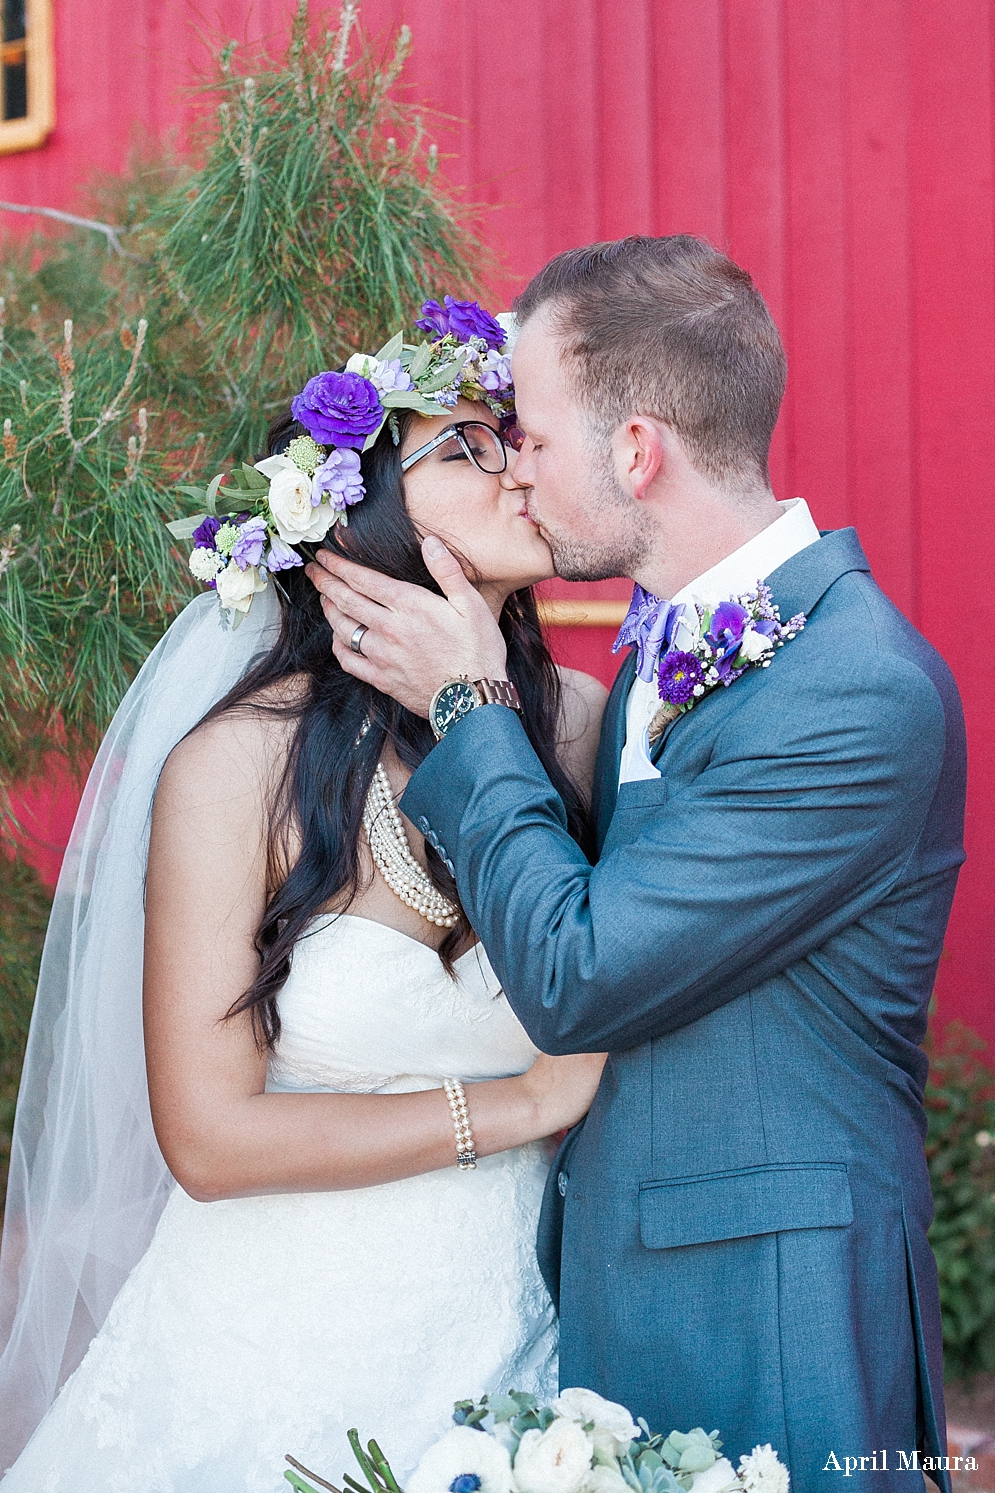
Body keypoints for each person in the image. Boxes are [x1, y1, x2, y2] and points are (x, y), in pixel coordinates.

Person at [307, 236, 968, 1493]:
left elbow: (579, 974)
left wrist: (463, 703)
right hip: (610, 1278)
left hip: (775, 1307)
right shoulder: (659, 637)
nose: (514, 472)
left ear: (633, 451)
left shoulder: (854, 691)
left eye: (534, 441)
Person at [0, 301, 608, 1490]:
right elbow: (210, 1139)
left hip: (517, 1345)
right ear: (356, 514)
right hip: (268, 1355)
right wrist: (526, 1103)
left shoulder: (580, 727)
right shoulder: (236, 768)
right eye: (465, 444)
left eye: (512, 431)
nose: (513, 463)